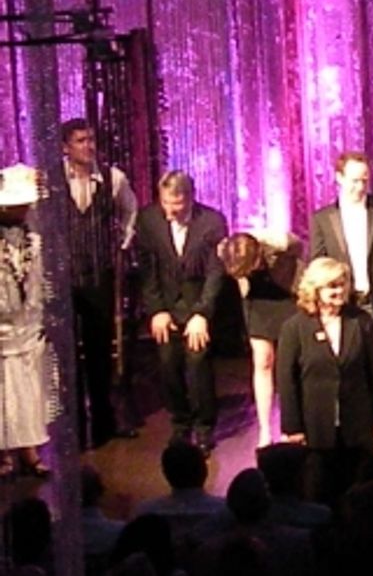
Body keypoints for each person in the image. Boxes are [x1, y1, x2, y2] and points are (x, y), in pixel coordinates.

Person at [310, 151, 373, 443]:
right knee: (345, 375)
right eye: (354, 180)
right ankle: (351, 440)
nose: (360, 186)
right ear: (339, 178)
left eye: (364, 180)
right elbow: (317, 265)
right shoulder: (323, 219)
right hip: (343, 307)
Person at [277, 257, 373, 503]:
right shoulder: (294, 328)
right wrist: (292, 427)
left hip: (356, 426)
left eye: (342, 284)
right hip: (316, 427)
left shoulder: (361, 321)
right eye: (332, 286)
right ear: (315, 290)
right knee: (320, 492)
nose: (339, 291)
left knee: (356, 492)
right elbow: (287, 381)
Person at [134, 170, 229, 454]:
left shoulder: (212, 222)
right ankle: (180, 424)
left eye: (176, 204)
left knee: (198, 362)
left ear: (189, 198)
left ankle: (203, 428)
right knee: (168, 363)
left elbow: (215, 273)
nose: (170, 210)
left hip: (198, 302)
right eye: (165, 202)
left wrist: (202, 313)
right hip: (166, 303)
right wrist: (156, 310)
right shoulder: (148, 220)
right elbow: (147, 273)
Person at [61, 117, 139, 448]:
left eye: (91, 139)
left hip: (98, 275)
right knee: (66, 353)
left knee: (98, 353)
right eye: (80, 140)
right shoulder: (52, 181)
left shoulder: (112, 178)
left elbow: (130, 212)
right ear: (66, 147)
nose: (88, 146)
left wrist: (120, 246)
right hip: (62, 278)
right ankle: (74, 427)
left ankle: (105, 423)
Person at [221, 230, 302, 448]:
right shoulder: (226, 249)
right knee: (263, 361)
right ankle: (265, 429)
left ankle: (292, 426)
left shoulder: (278, 241)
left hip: (286, 296)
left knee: (289, 365)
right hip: (258, 301)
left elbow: (301, 250)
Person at [0, 164, 51, 479]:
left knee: (29, 390)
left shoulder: (33, 234)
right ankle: (3, 454)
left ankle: (30, 451)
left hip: (27, 321)